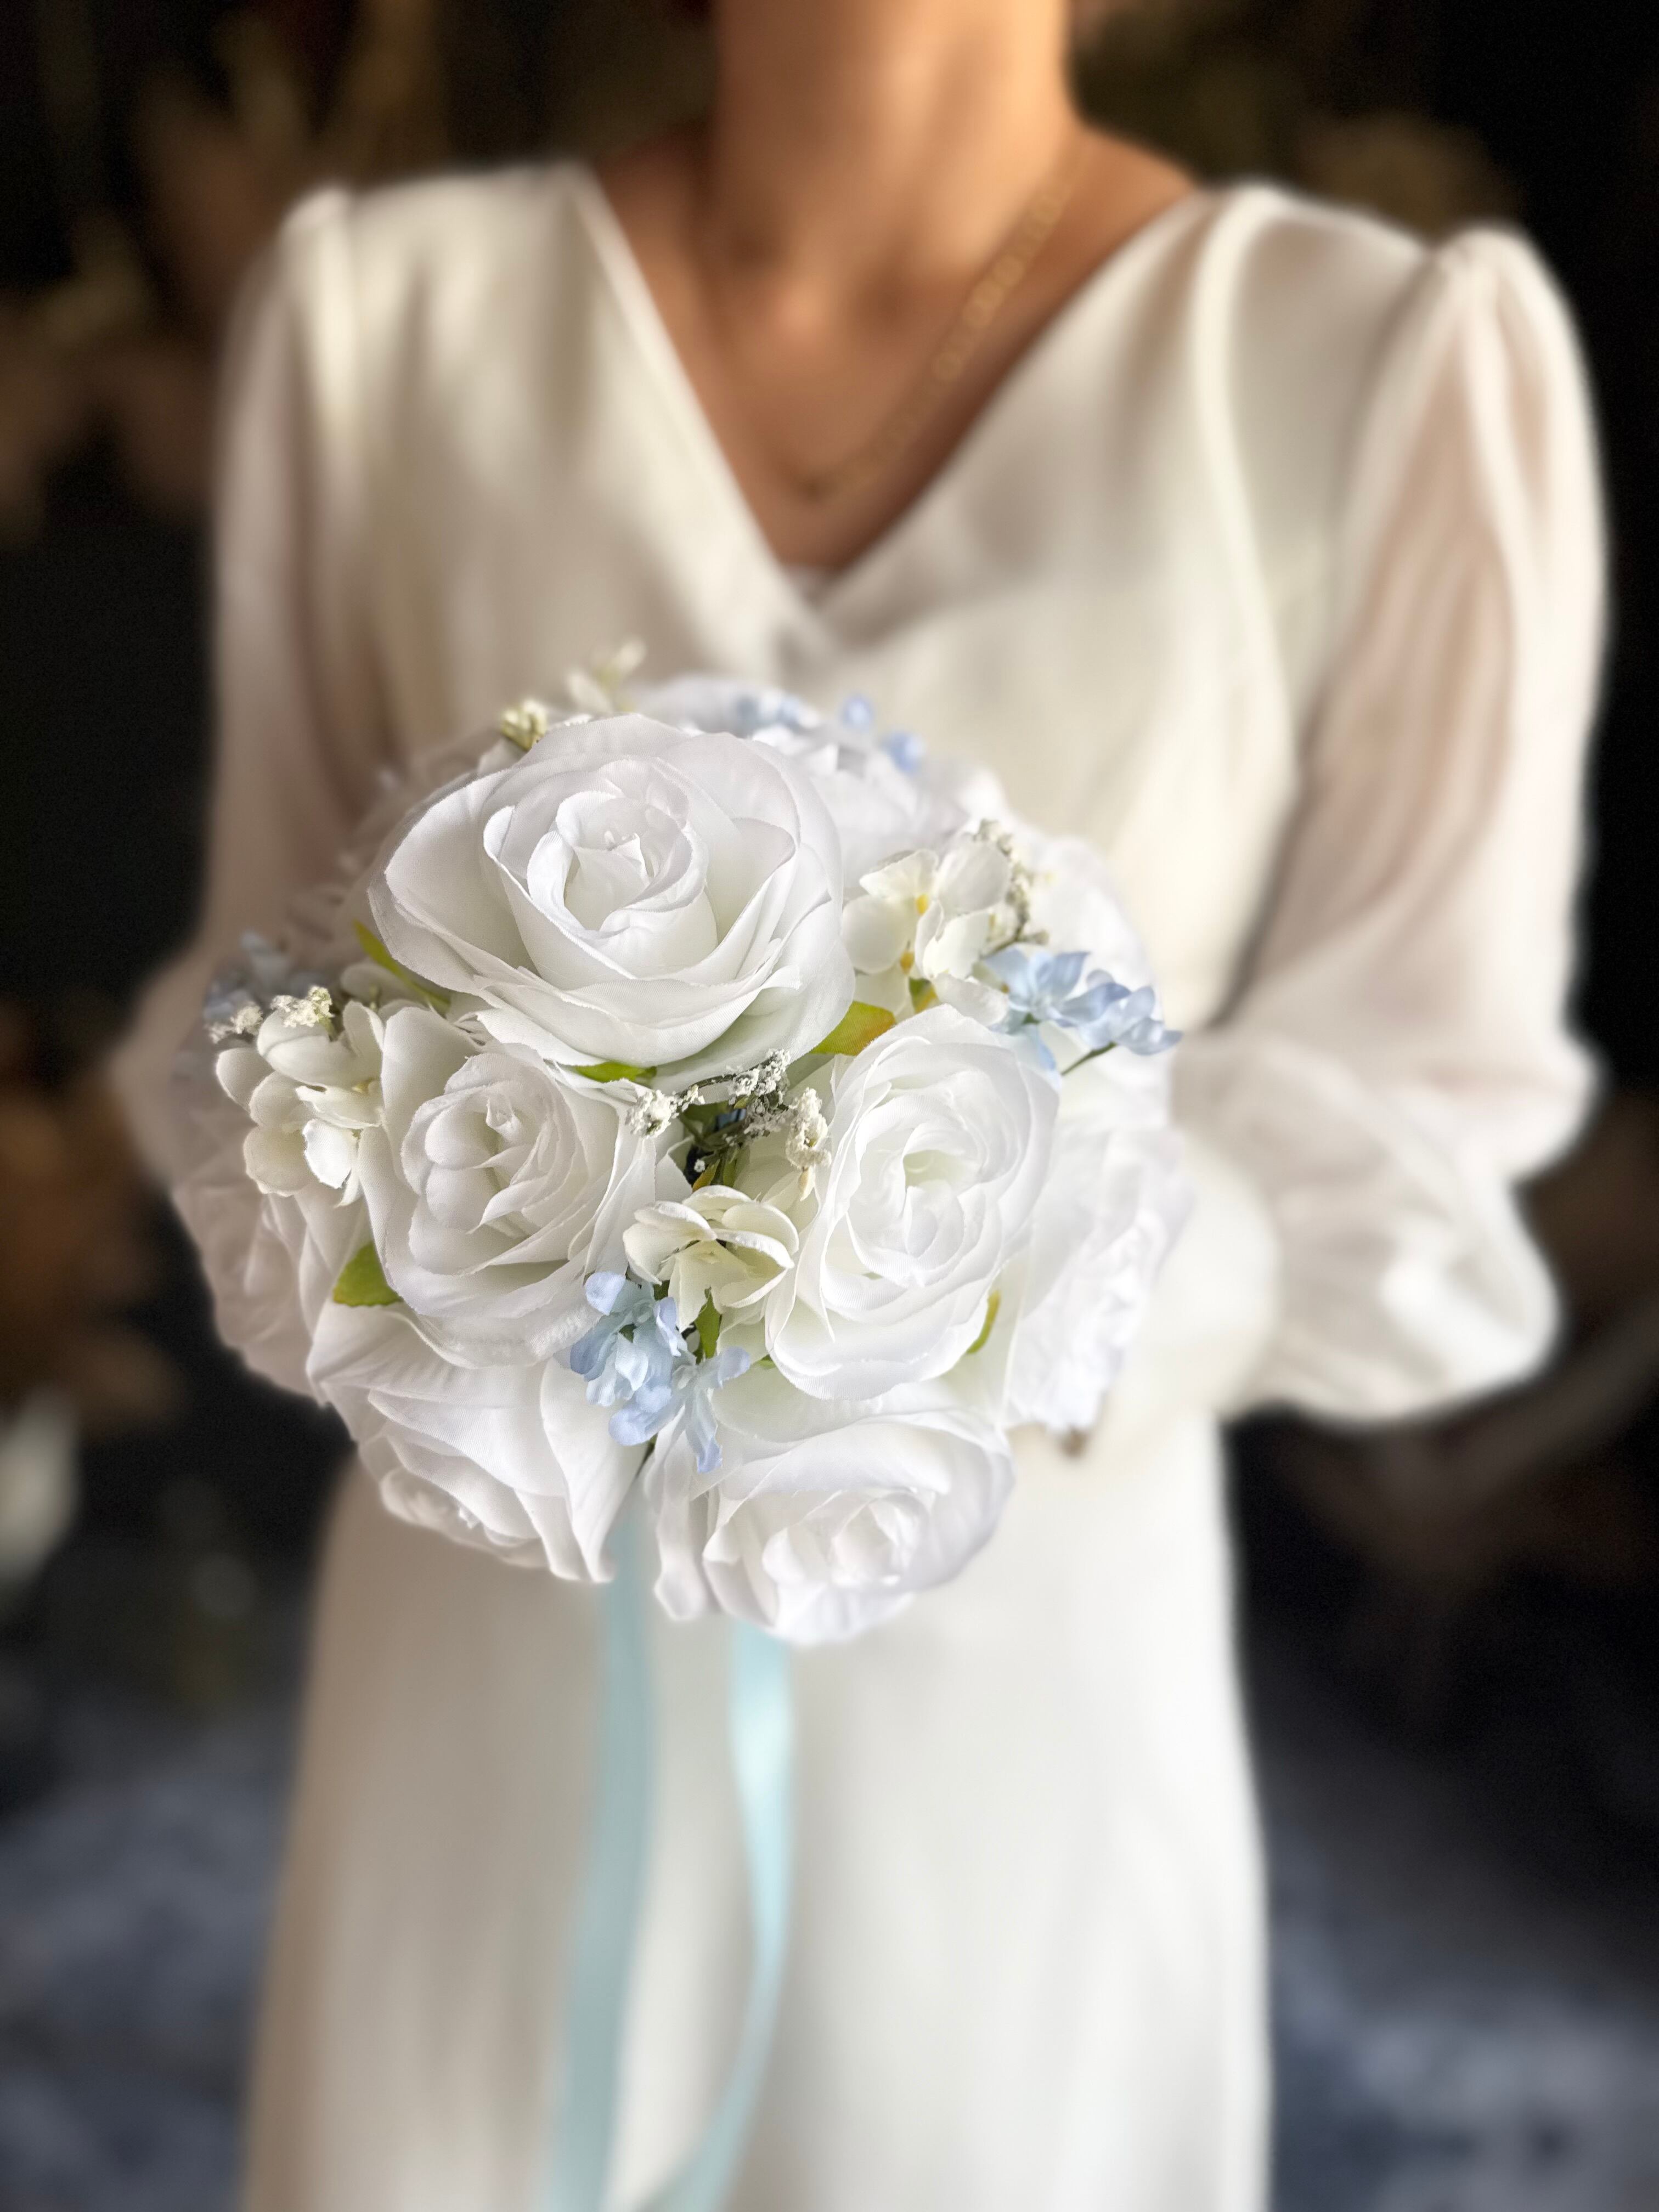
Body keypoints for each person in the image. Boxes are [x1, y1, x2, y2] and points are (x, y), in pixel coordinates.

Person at [115, 0, 1604, 2204]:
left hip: (1019, 1714)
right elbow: (248, 1031)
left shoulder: (1373, 362)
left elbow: (1421, 1106)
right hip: (487, 1682)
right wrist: (496, 1225)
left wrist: (933, 1285)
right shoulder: (388, 323)